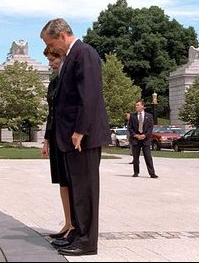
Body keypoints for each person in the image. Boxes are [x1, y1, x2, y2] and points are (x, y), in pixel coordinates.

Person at [40, 18, 111, 256]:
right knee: (77, 190)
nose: (53, 50)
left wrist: (80, 130)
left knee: (86, 191)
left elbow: (88, 96)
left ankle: (87, 242)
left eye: (52, 43)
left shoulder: (84, 53)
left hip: (84, 138)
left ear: (61, 35)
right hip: (72, 138)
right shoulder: (72, 56)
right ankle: (77, 235)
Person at [41, 47, 74, 240]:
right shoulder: (53, 82)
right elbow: (51, 113)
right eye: (49, 60)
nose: (50, 63)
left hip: (68, 137)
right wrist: (46, 139)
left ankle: (74, 225)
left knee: (70, 182)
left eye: (53, 59)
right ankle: (67, 222)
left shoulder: (67, 80)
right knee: (62, 182)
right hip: (55, 136)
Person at [127, 99, 158, 178]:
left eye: (138, 105)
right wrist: (136, 135)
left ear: (142, 106)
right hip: (135, 140)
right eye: (136, 105)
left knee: (148, 157)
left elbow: (150, 128)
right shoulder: (132, 116)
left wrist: (145, 135)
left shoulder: (149, 116)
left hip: (145, 140)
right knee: (136, 157)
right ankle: (136, 172)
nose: (136, 106)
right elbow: (130, 128)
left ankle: (152, 173)